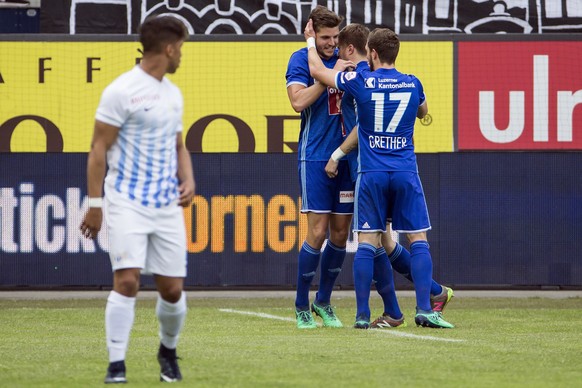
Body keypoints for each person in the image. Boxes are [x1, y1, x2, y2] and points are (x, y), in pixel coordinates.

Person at [305, 20, 454, 328]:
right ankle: (425, 306)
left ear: (371, 53)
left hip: (371, 171)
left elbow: (320, 74)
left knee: (368, 241)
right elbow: (424, 111)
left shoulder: (361, 81)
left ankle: (362, 315)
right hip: (404, 170)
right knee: (417, 239)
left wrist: (309, 42)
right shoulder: (413, 82)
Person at [80, 16, 195, 383]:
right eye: (182, 49)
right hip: (126, 200)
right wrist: (95, 204)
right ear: (169, 48)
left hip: (166, 206)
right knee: (127, 281)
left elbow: (179, 146)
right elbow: (99, 148)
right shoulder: (121, 90)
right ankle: (117, 365)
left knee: (172, 290)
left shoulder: (172, 93)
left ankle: (168, 351)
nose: (182, 57)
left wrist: (188, 179)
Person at [285, 5, 354, 329]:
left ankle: (323, 301)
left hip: (346, 157)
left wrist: (342, 70)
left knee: (340, 233)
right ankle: (301, 304)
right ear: (313, 33)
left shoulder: (348, 57)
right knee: (317, 231)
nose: (332, 43)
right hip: (314, 156)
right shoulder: (301, 59)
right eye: (325, 37)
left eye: (335, 36)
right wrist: (330, 79)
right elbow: (297, 102)